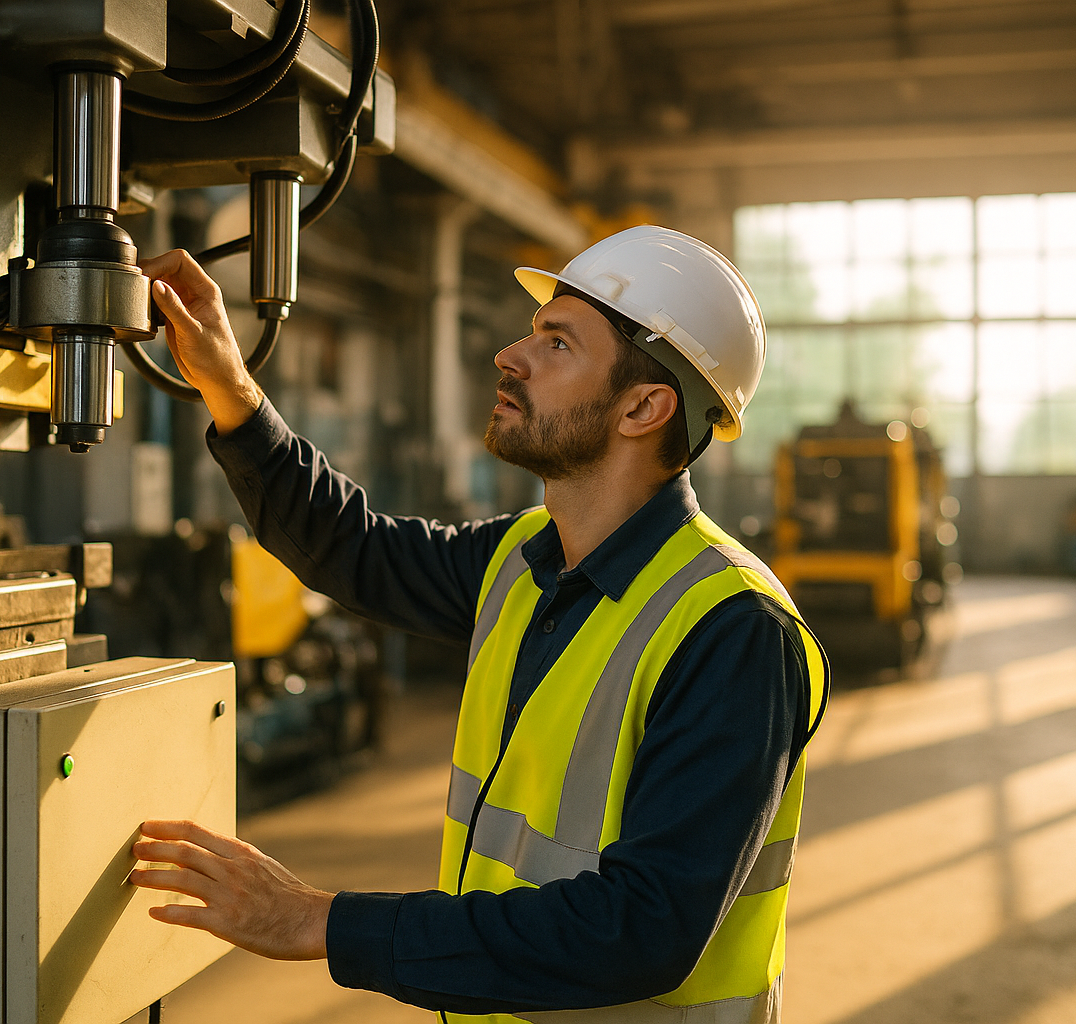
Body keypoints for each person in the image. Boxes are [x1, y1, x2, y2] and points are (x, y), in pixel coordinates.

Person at [129, 225, 829, 1023]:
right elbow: (351, 549)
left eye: (557, 343)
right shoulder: (523, 559)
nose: (510, 356)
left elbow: (642, 929)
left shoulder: (733, 629)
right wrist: (230, 385)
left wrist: (318, 919)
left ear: (643, 406)